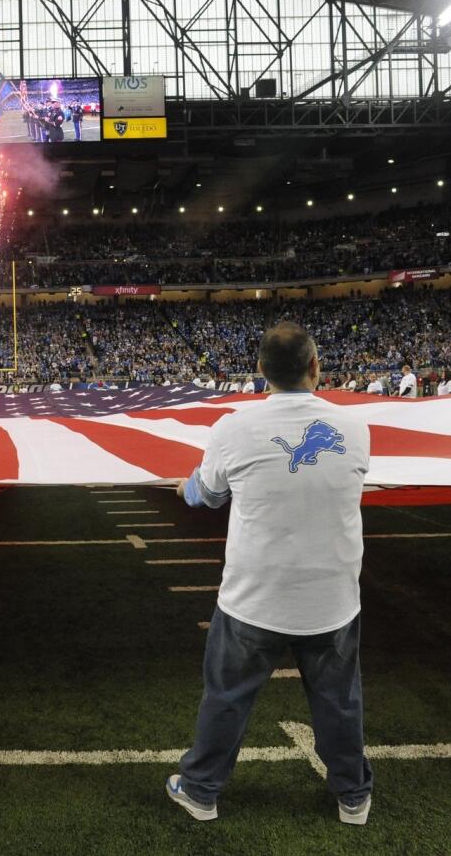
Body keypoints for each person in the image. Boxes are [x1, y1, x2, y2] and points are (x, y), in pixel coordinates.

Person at [168, 321, 374, 825]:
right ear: (315, 366)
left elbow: (209, 494)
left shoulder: (233, 428)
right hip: (331, 598)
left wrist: (184, 489)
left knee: (227, 697)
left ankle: (200, 790)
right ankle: (353, 795)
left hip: (253, 597)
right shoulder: (356, 428)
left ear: (260, 371)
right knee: (339, 703)